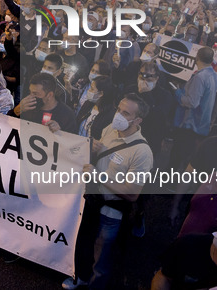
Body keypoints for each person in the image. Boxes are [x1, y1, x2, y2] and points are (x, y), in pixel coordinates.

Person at [63, 93, 153, 289]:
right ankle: (81, 278)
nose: (118, 115)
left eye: (125, 112)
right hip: (92, 201)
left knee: (101, 257)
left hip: (111, 212)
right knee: (84, 242)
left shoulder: (142, 152)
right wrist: (94, 151)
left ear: (138, 120)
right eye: (119, 109)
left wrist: (99, 176)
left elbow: (132, 193)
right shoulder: (110, 130)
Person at [169, 46, 217, 170]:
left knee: (177, 158)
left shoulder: (200, 77)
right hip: (200, 125)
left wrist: (177, 92)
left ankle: (169, 184)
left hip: (190, 125)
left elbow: (192, 102)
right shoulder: (212, 74)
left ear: (197, 58)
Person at [10, 73, 77, 134]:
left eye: (35, 93)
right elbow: (6, 125)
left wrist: (60, 132)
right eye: (30, 92)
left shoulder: (67, 115)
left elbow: (71, 142)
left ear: (49, 95)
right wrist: (17, 111)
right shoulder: (27, 106)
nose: (31, 96)